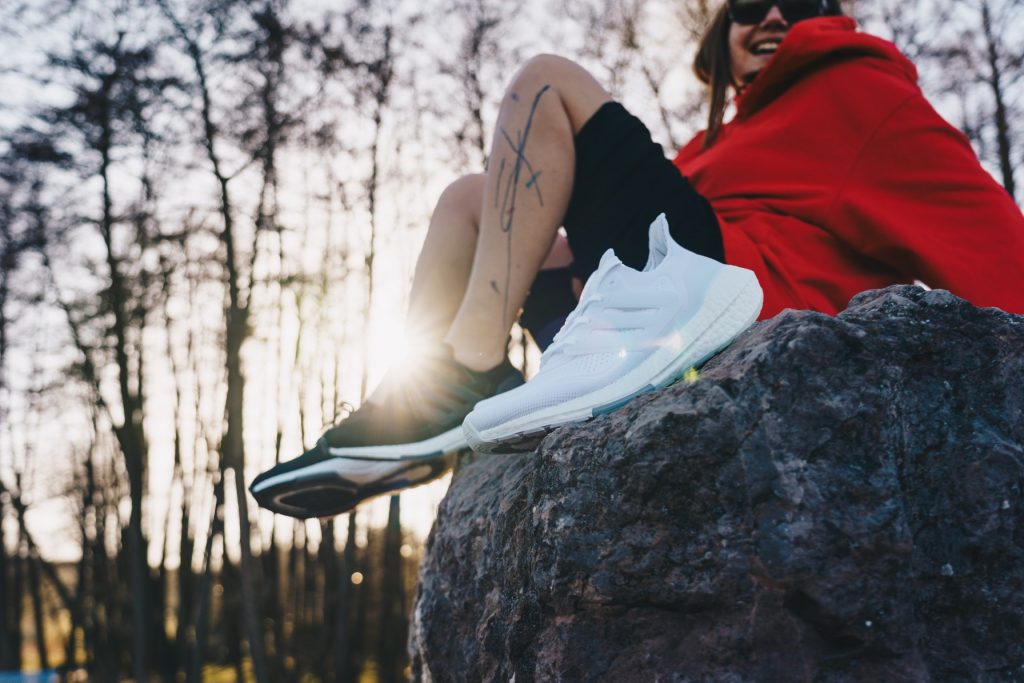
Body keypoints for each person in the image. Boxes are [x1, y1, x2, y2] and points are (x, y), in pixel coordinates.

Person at [250, 0, 1024, 519]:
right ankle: (418, 396)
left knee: (546, 82)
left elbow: (987, 230)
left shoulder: (859, 90)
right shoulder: (717, 143)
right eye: (750, 3)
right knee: (467, 199)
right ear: (722, 30)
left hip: (733, 300)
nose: (775, 14)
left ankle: (460, 379)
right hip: (642, 320)